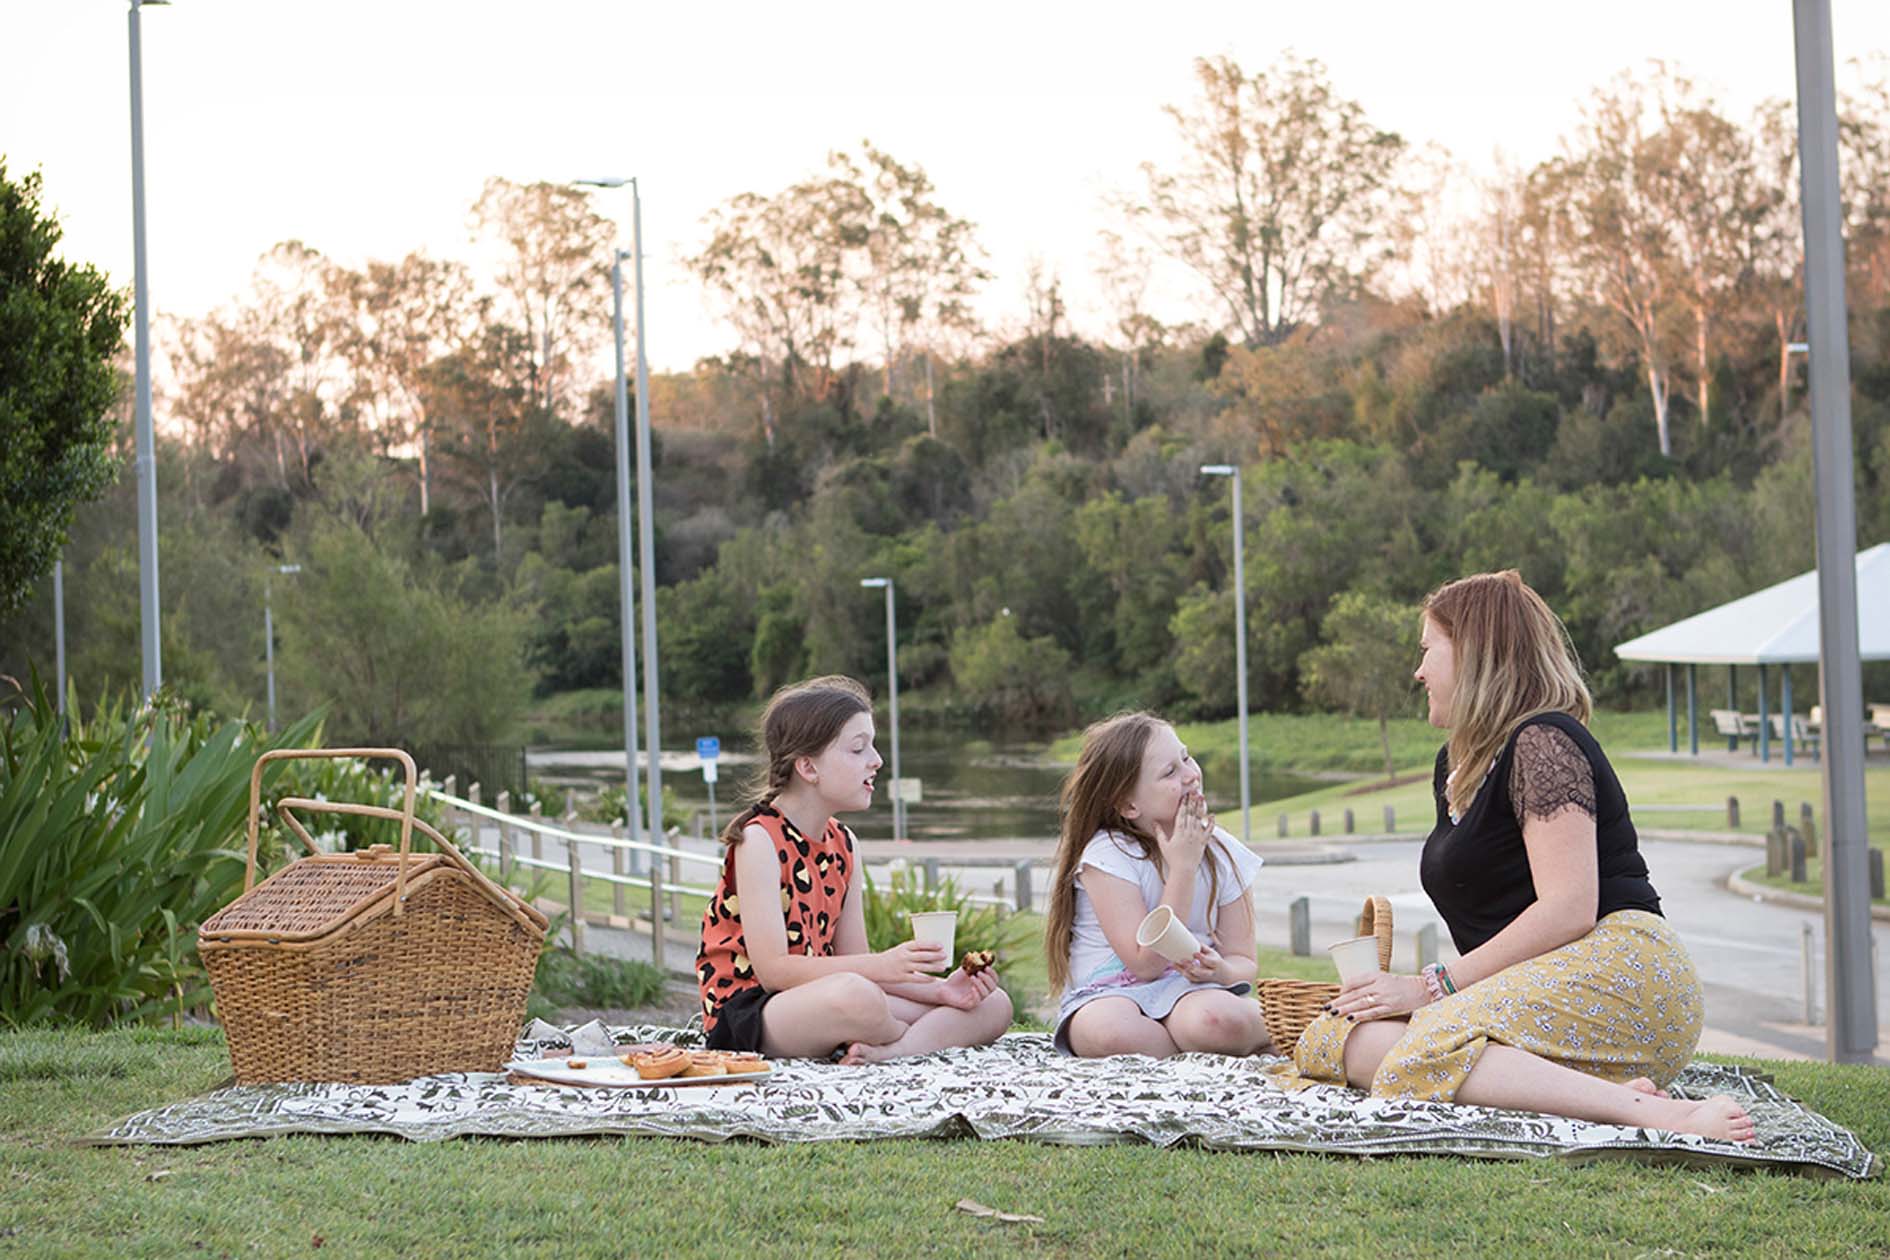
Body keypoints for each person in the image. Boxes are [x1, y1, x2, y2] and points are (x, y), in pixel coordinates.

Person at [1281, 571, 1755, 1143]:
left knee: (1422, 1043)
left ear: (1476, 654)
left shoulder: (1543, 741)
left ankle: (1661, 1116)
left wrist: (1431, 988)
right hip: (1539, 990)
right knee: (1339, 1042)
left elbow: (1569, 909)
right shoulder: (1455, 767)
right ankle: (1609, 1093)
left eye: (1428, 650)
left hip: (1622, 972)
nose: (1419, 670)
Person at [696, 675, 1012, 1063]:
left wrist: (941, 991)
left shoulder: (844, 843)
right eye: (859, 748)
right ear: (808, 767)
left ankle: (893, 1050)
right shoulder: (758, 840)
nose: (876, 760)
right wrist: (887, 966)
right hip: (755, 1014)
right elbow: (774, 972)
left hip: (834, 997)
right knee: (856, 996)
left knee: (993, 1004)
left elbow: (856, 958)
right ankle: (912, 1039)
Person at [1044, 712, 1272, 1059]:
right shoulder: (1108, 855)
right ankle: (1198, 1060)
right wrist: (1183, 868)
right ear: (1128, 805)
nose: (1191, 775)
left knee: (1218, 1021)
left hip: (1190, 991)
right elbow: (1146, 964)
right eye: (1170, 772)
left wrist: (1221, 970)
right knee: (1114, 1035)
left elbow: (1243, 960)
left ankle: (1216, 1045)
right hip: (1108, 995)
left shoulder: (1224, 854)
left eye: (1186, 757)